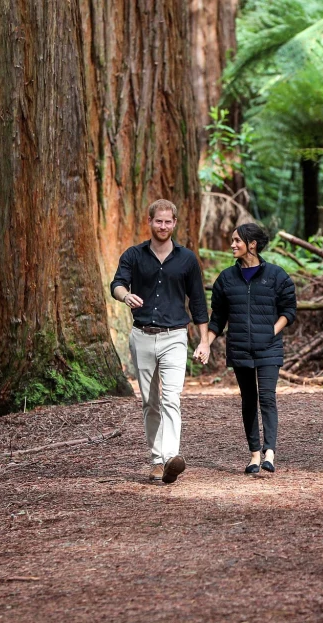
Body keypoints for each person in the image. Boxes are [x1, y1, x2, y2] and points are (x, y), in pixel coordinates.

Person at [110, 199, 208, 484]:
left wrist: (204, 342)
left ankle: (170, 458)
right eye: (158, 221)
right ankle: (155, 459)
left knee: (171, 399)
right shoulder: (134, 255)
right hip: (142, 336)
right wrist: (125, 295)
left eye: (168, 221)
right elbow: (117, 284)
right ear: (150, 222)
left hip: (175, 337)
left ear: (174, 224)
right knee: (150, 402)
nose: (163, 226)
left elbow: (199, 302)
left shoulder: (187, 259)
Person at [193, 223, 297, 474]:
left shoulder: (276, 276)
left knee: (267, 397)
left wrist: (269, 332)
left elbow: (289, 311)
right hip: (239, 348)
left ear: (252, 244)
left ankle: (269, 452)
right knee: (248, 400)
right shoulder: (226, 279)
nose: (233, 245)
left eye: (237, 240)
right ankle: (253, 455)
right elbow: (217, 318)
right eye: (232, 240)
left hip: (269, 348)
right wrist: (205, 342)